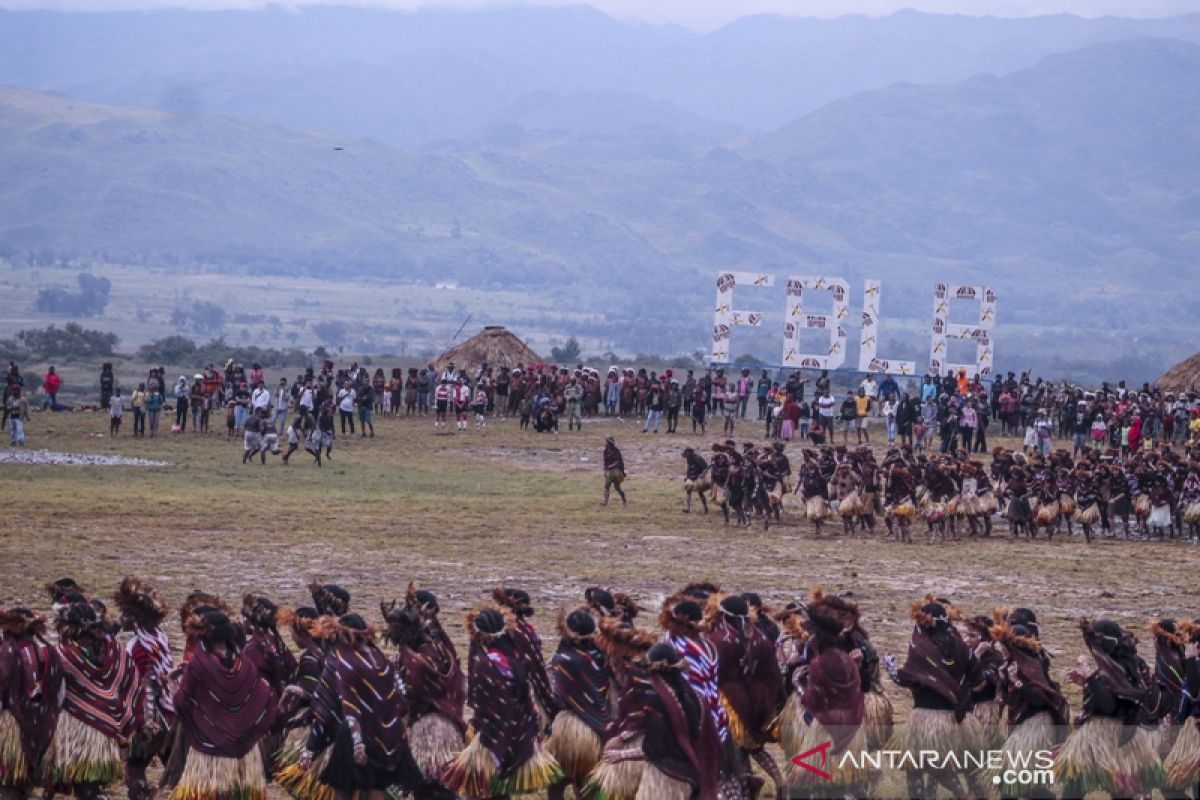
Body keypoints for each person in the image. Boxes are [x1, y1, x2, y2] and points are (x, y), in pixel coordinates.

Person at [442, 605, 563, 800]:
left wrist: (479, 729)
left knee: (477, 790)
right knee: (501, 790)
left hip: (492, 736)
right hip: (518, 733)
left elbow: (481, 702)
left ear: (482, 635)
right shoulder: (515, 655)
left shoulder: (484, 662)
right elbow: (524, 698)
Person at [299, 614, 422, 800]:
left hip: (353, 734)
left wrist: (311, 748)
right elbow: (401, 697)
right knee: (375, 785)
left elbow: (326, 704)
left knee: (343, 789)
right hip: (385, 735)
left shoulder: (341, 660)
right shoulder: (381, 659)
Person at [170, 606, 278, 800]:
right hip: (243, 753)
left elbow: (181, 703)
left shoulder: (198, 666)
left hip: (210, 751)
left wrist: (171, 684)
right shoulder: (243, 664)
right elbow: (267, 696)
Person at [48, 594, 143, 800]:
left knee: (85, 786)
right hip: (106, 731)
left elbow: (53, 693)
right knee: (91, 785)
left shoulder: (63, 654)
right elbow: (131, 680)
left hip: (77, 731)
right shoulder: (114, 651)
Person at [113, 578, 175, 800]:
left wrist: (147, 721)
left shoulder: (140, 646)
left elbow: (147, 683)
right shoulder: (160, 638)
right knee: (174, 767)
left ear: (136, 618)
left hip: (150, 713)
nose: (122, 620)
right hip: (170, 713)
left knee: (135, 766)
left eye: (126, 615)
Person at [545, 607, 612, 800]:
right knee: (586, 784)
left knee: (555, 783)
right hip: (593, 732)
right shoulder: (601, 661)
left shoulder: (562, 660)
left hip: (565, 731)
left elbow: (555, 697)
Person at [0, 606, 63, 800]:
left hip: (12, 726)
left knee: (9, 785)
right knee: (22, 786)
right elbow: (59, 694)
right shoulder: (49, 652)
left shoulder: (8, 651)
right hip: (43, 727)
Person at [603, 437, 628, 506]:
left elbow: (619, 462)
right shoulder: (605, 451)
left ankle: (624, 500)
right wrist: (605, 470)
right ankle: (605, 502)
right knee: (607, 485)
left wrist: (611, 466)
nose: (605, 443)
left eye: (606, 442)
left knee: (617, 487)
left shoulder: (616, 451)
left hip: (616, 471)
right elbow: (605, 462)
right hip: (610, 471)